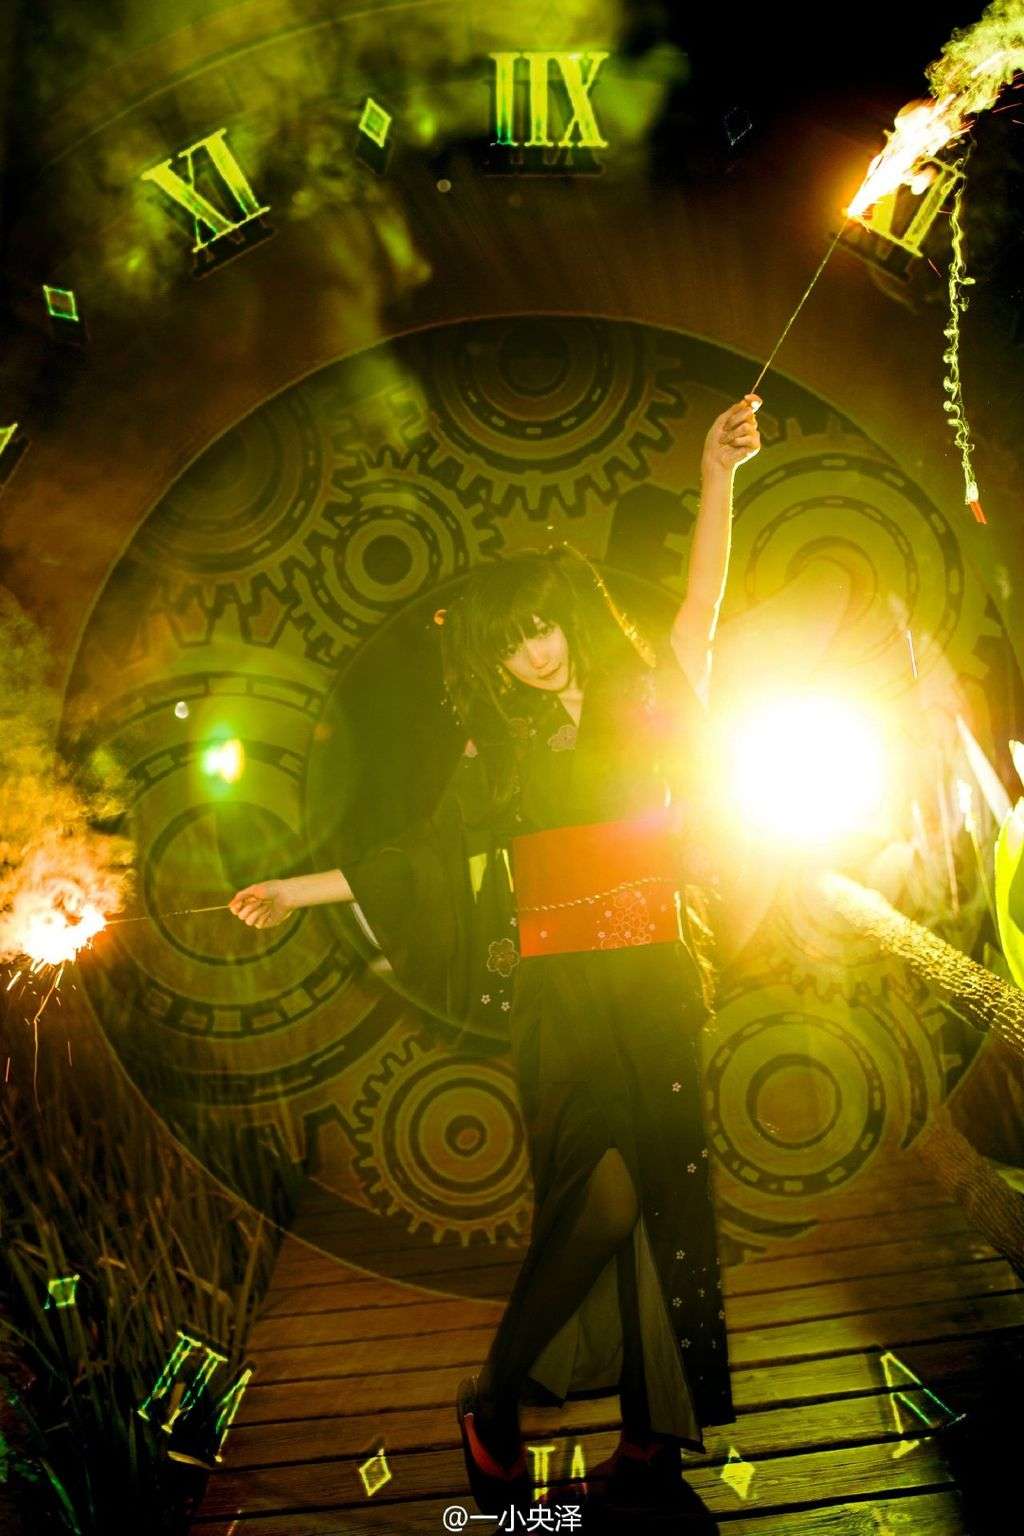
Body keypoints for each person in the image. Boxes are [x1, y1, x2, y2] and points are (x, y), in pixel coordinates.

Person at [229, 395, 762, 1517]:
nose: (532, 653)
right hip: (562, 997)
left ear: (566, 615)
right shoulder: (500, 754)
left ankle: (649, 1447)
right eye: (510, 643)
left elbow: (702, 608)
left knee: (661, 1204)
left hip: (659, 981)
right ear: (491, 658)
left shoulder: (648, 697)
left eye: (540, 627)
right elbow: (420, 859)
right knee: (600, 1199)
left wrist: (718, 474)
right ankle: (493, 1396)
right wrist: (291, 888)